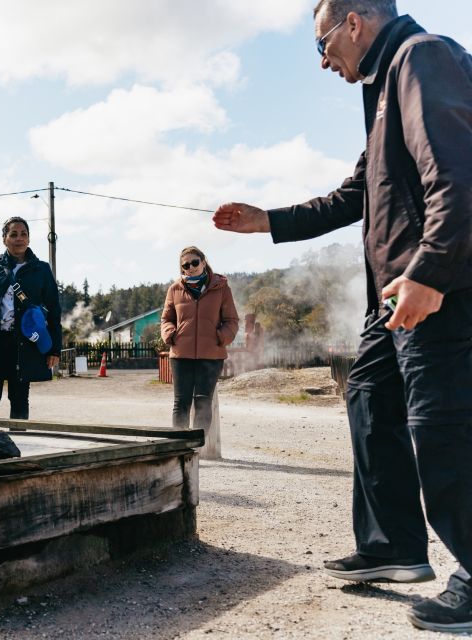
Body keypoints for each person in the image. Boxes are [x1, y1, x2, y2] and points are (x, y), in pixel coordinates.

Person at [213, 1, 472, 632]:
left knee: (442, 430)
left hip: (435, 285)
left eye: (322, 45)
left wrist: (431, 274)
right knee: (369, 398)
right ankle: (394, 546)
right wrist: (268, 221)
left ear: (353, 23)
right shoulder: (382, 88)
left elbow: (460, 178)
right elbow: (356, 195)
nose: (324, 61)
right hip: (395, 293)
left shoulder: (422, 58)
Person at [0, 216, 61, 419]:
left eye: (24, 234)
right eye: (13, 234)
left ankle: (21, 444)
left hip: (24, 343)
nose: (19, 238)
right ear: (4, 239)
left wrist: (54, 348)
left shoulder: (41, 269)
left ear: (29, 238)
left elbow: (54, 310)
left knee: (19, 397)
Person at [160, 247, 239, 430]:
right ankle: (180, 448)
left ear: (203, 262)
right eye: (186, 265)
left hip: (211, 355)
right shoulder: (174, 289)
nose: (191, 267)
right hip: (181, 355)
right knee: (181, 403)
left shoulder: (221, 287)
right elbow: (166, 319)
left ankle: (197, 449)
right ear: (182, 268)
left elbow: (232, 320)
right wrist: (171, 334)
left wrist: (221, 337)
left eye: (195, 262)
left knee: (203, 403)